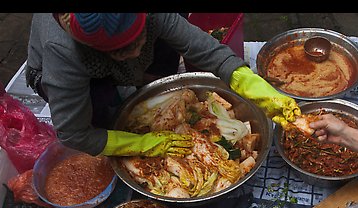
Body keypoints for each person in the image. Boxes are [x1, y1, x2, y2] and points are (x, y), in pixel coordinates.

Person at [25, 13, 300, 157]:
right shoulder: (62, 50)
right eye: (122, 52)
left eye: (139, 44)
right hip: (70, 68)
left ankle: (147, 82)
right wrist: (144, 144)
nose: (135, 55)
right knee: (100, 112)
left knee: (168, 45)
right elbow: (73, 134)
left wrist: (249, 82)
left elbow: (200, 47)